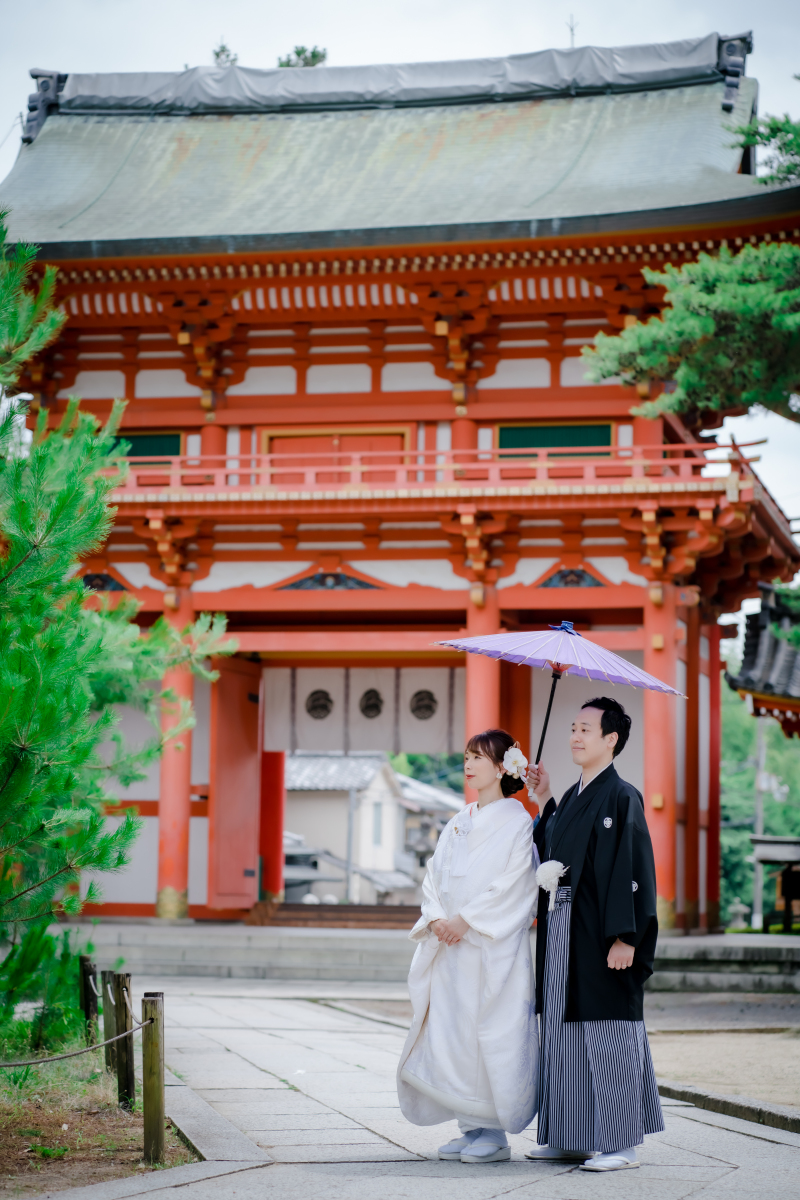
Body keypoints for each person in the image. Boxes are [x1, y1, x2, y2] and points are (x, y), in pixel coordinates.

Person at [525, 696, 663, 1172]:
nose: (575, 737)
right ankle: (570, 1135)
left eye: (586, 729)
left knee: (608, 1030)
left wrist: (627, 936)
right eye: (572, 729)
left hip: (603, 932)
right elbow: (551, 849)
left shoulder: (622, 796)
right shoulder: (572, 797)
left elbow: (635, 867)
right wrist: (545, 798)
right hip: (563, 928)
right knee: (561, 1028)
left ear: (611, 739)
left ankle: (620, 1142)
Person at [397, 729, 539, 1164]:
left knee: (488, 1032)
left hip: (488, 948)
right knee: (452, 1031)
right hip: (451, 946)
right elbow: (434, 873)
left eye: (479, 757)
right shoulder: (460, 819)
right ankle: (469, 1125)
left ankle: (493, 1132)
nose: (468, 764)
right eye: (466, 756)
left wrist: (466, 920)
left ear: (502, 768)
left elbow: (514, 882)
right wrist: (437, 917)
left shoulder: (517, 821)